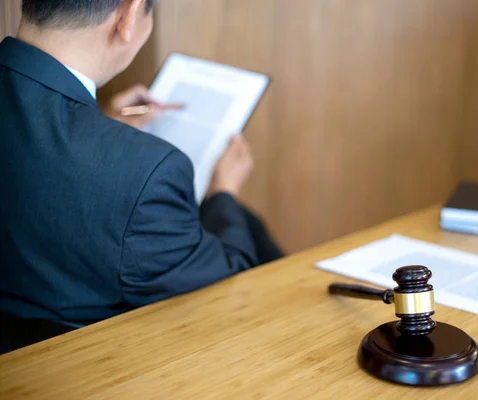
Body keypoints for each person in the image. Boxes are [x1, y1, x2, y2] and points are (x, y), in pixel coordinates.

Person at [0, 0, 283, 350]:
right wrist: (224, 191)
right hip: (88, 363)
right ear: (129, 14)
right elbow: (223, 281)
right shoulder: (149, 170)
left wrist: (99, 122)